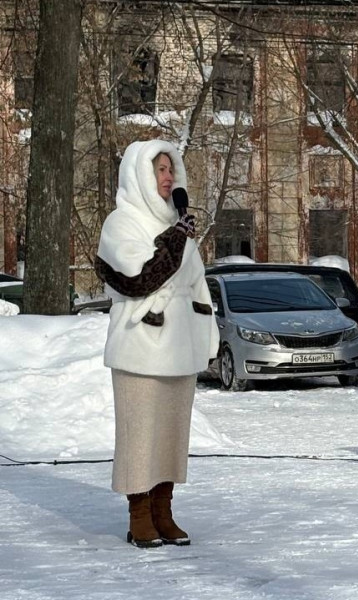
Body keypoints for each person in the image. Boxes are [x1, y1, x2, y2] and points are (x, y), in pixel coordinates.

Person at [95, 140, 219, 548]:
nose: (168, 177)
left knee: (170, 434)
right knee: (140, 433)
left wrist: (207, 333)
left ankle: (163, 511)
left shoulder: (177, 224)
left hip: (180, 347)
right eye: (160, 170)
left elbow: (196, 286)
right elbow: (138, 279)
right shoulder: (121, 223)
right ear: (139, 175)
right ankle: (139, 514)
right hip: (140, 346)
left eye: (171, 169)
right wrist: (176, 239)